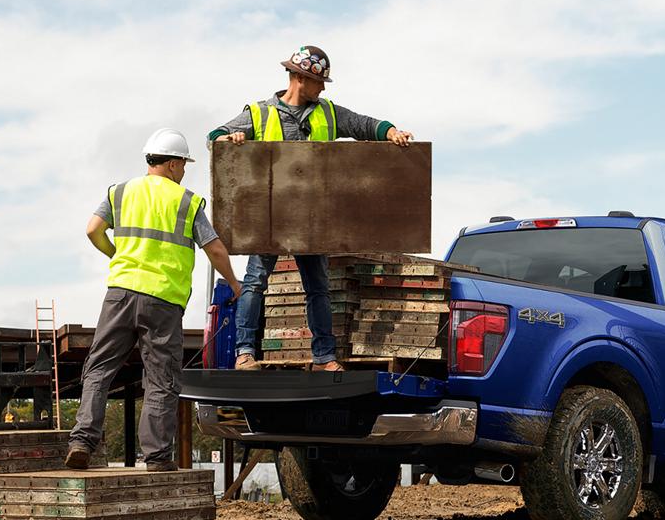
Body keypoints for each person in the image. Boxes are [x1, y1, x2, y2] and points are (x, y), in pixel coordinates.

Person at [210, 44, 415, 371]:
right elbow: (216, 135)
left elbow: (362, 124)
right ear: (300, 78)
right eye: (319, 82)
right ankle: (245, 353)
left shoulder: (328, 113)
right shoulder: (259, 113)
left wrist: (391, 131)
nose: (323, 88)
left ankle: (324, 357)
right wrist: (226, 140)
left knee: (318, 288)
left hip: (312, 219)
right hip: (271, 217)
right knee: (255, 282)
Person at [66, 128, 242, 471]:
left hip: (120, 293)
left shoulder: (121, 192)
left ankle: (82, 442)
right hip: (162, 300)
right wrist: (235, 284)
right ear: (173, 164)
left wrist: (117, 255)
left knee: (99, 368)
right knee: (161, 378)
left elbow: (92, 229)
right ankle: (157, 457)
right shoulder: (186, 201)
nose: (184, 171)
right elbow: (215, 249)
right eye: (184, 165)